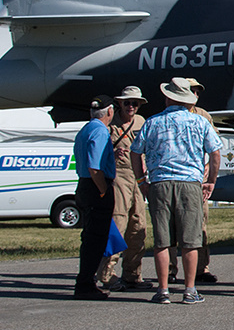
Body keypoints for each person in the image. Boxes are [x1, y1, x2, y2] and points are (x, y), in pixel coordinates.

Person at [130, 78, 222, 305]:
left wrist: (141, 179)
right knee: (190, 240)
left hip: (159, 183)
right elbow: (216, 152)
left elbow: (135, 152)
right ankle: (189, 290)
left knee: (162, 240)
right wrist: (210, 181)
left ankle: (163, 290)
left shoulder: (152, 122)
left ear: (168, 97)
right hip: (190, 183)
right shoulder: (199, 122)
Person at [99, 86, 151, 291]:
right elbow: (95, 150)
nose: (131, 106)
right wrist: (112, 151)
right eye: (127, 102)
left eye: (135, 103)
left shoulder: (142, 122)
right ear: (119, 103)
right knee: (118, 224)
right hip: (118, 176)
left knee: (138, 226)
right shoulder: (108, 123)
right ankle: (106, 273)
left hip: (138, 176)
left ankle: (132, 275)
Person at [169, 77, 219, 284]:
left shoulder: (203, 116)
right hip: (174, 177)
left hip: (198, 179)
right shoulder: (168, 117)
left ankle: (201, 268)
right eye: (192, 91)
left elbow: (214, 146)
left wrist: (208, 170)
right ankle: (171, 270)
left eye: (198, 91)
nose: (196, 95)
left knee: (200, 224)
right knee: (171, 226)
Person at [72, 95, 116, 300]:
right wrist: (103, 190)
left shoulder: (85, 130)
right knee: (95, 239)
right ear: (110, 112)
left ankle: (86, 281)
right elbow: (94, 167)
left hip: (83, 184)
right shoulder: (100, 131)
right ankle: (86, 283)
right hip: (95, 185)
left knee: (90, 235)